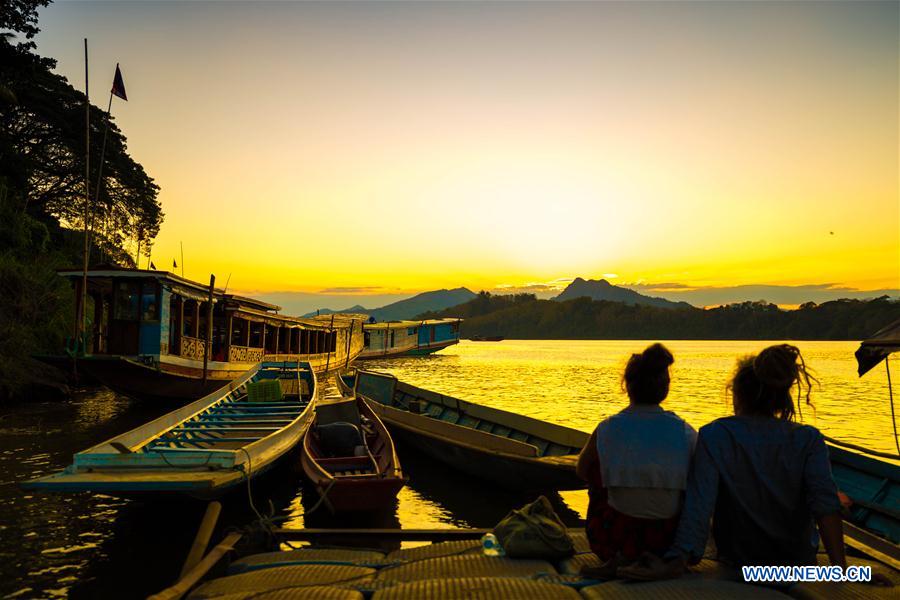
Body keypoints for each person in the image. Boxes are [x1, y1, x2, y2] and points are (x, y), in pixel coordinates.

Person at [623, 344, 846, 580]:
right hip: (797, 561)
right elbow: (826, 506)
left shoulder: (716, 435)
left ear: (738, 394)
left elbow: (699, 505)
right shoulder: (808, 438)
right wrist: (843, 571)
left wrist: (677, 560)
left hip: (740, 562)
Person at [576, 343, 697, 577]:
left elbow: (582, 470)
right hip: (667, 540)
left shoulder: (607, 428)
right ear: (665, 389)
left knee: (596, 471)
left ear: (627, 386)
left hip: (613, 537)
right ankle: (657, 560)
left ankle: (622, 556)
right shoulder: (686, 432)